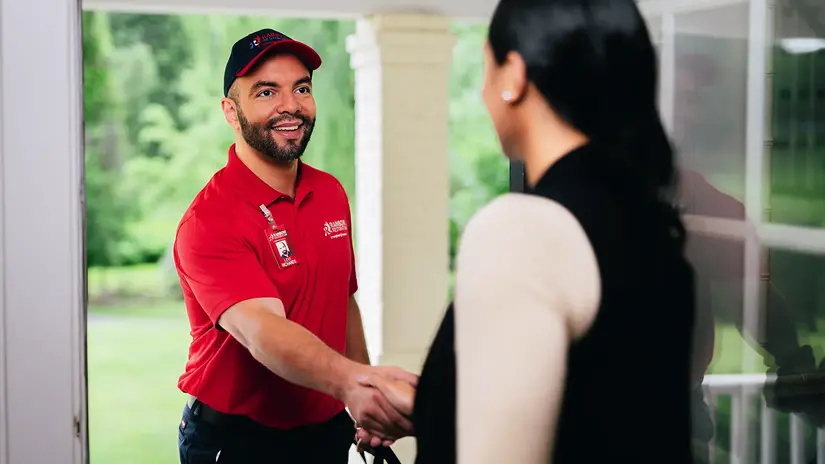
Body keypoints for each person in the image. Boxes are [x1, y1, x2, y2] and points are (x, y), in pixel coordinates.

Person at [357, 0, 697, 462]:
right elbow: (602, 414)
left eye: (486, 67)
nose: (482, 90)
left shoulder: (523, 232)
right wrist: (432, 407)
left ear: (513, 77)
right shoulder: (651, 225)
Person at [173, 28, 416, 463]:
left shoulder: (329, 192)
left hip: (322, 430)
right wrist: (354, 384)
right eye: (267, 92)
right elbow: (264, 331)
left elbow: (342, 300)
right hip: (237, 441)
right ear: (231, 111)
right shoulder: (209, 219)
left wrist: (363, 398)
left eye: (301, 88)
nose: (290, 105)